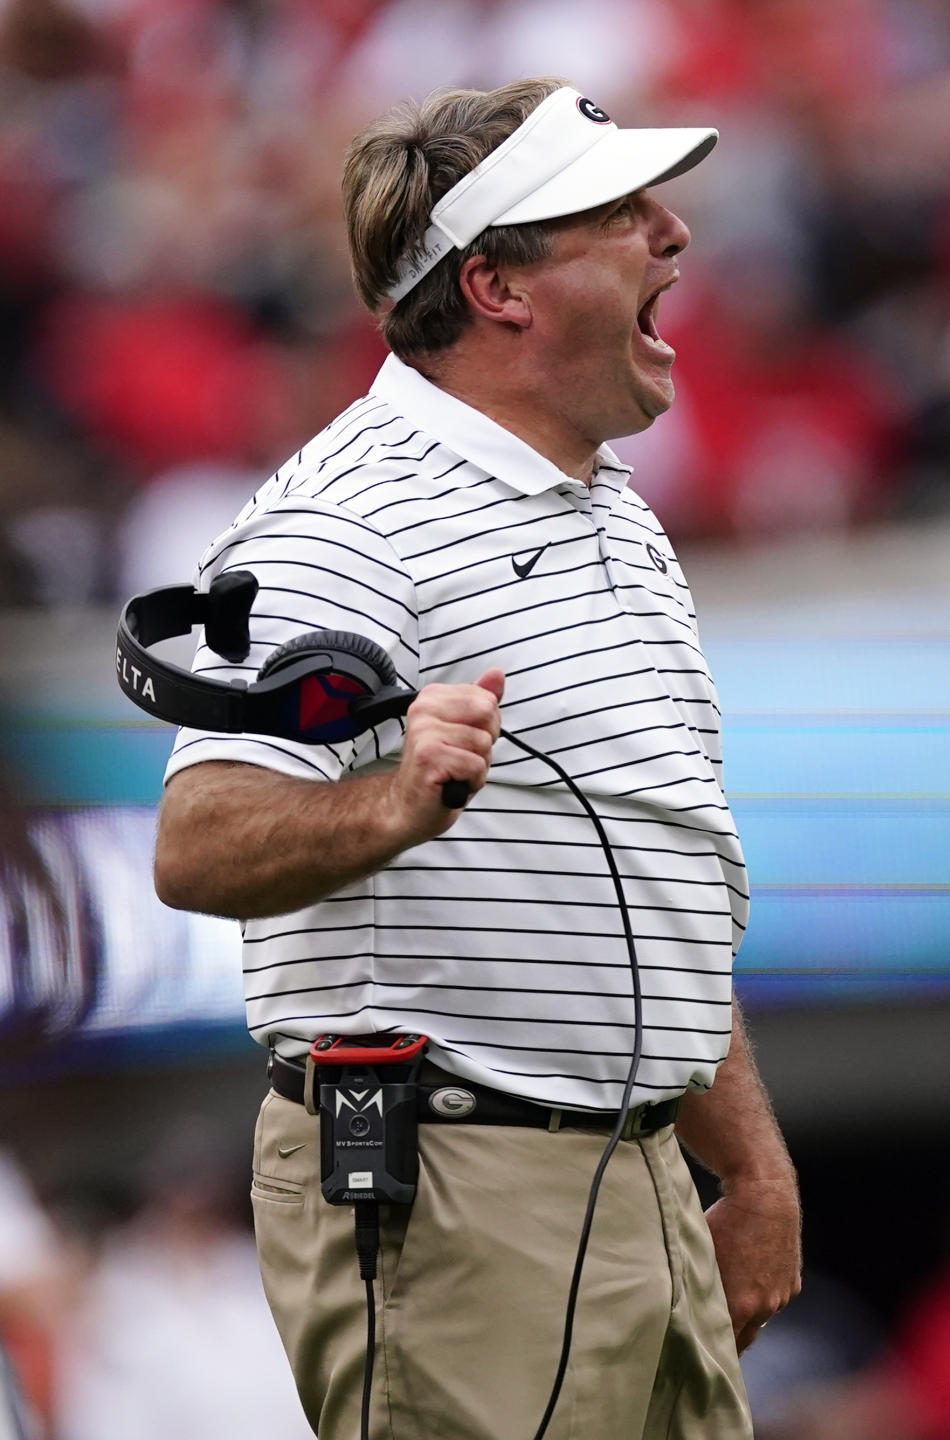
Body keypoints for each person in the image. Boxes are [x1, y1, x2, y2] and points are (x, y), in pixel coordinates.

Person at [154, 78, 802, 1440]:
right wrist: (393, 802)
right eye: (621, 216)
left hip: (634, 1182)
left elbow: (650, 869)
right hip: (455, 1184)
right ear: (499, 286)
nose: (674, 236)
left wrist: (747, 1162)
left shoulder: (619, 519)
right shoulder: (347, 517)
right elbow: (197, 839)